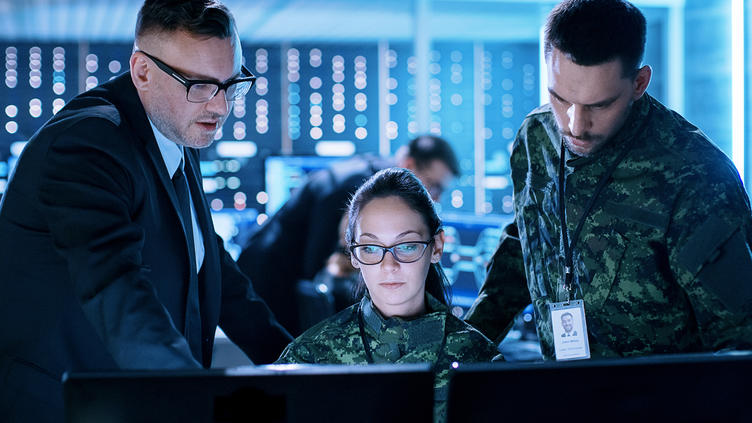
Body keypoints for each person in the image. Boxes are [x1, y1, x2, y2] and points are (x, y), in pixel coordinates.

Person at [0, 1, 292, 421]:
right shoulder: (87, 144)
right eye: (200, 85)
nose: (221, 107)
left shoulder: (177, 125)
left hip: (130, 401)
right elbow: (115, 288)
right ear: (142, 72)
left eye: (231, 84)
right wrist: (194, 397)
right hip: (63, 407)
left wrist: (299, 363)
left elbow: (213, 269)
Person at [465, 0, 752, 360]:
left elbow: (739, 343)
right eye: (560, 98)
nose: (574, 125)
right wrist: (463, 352)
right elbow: (527, 242)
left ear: (639, 83)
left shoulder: (696, 177)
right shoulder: (536, 138)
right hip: (562, 393)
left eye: (599, 106)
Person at [275, 168, 499, 422]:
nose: (389, 265)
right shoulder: (309, 359)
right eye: (370, 248)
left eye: (406, 246)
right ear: (353, 254)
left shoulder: (480, 361)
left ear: (436, 247)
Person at [237, 135, 460, 336]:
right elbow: (316, 264)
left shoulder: (369, 176)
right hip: (264, 281)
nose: (435, 199)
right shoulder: (358, 190)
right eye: (434, 186)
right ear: (409, 165)